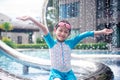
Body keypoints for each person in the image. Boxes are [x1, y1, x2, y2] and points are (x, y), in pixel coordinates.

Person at [17, 16, 113, 80]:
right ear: (55, 30)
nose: (62, 33)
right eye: (60, 30)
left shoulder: (70, 43)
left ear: (68, 34)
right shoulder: (51, 43)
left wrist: (102, 31)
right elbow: (44, 28)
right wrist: (30, 18)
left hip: (69, 73)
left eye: (66, 32)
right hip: (56, 74)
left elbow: (84, 34)